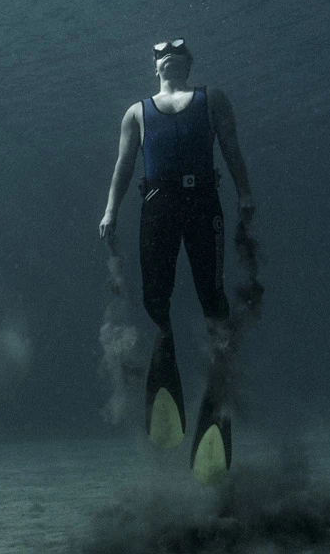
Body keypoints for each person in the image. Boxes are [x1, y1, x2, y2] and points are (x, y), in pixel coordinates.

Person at [98, 38, 254, 481]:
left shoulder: (211, 100)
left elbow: (231, 147)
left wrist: (244, 191)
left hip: (204, 201)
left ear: (189, 62)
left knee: (213, 296)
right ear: (154, 68)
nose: (169, 52)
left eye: (178, 49)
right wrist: (111, 210)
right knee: (156, 299)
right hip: (158, 205)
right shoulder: (136, 112)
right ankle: (165, 355)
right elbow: (123, 165)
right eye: (161, 51)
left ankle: (216, 389)